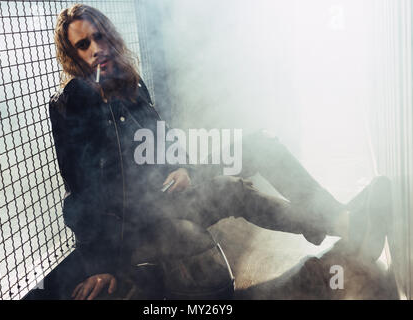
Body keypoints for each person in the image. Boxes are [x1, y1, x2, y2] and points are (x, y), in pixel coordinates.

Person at [48, 4, 392, 300]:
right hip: (135, 226)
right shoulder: (73, 105)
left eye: (100, 37)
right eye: (83, 44)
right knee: (232, 190)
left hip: (166, 193)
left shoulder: (130, 87)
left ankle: (340, 220)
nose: (96, 49)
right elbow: (82, 195)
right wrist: (102, 265)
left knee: (259, 146)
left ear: (110, 37)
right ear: (73, 56)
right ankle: (345, 225)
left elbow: (162, 145)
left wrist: (183, 168)